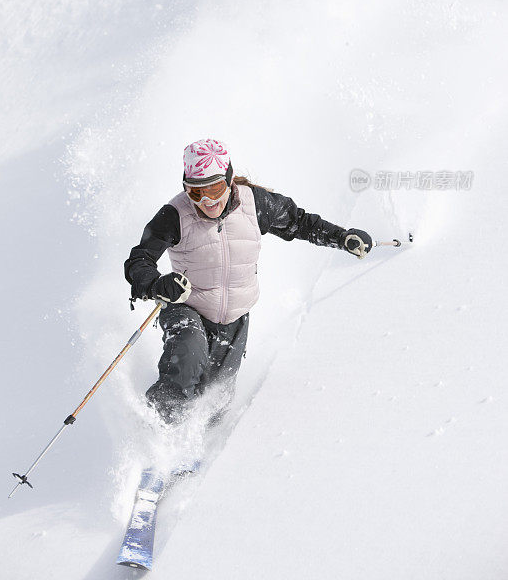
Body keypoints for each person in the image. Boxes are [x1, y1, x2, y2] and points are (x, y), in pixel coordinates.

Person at [124, 138, 372, 424]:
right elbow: (138, 261)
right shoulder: (175, 215)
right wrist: (157, 284)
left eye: (214, 189)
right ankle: (163, 432)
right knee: (188, 354)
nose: (208, 201)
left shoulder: (256, 203)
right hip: (186, 308)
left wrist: (342, 237)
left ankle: (200, 448)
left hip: (234, 319)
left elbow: (300, 222)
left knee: (216, 399)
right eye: (196, 193)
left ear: (229, 180)